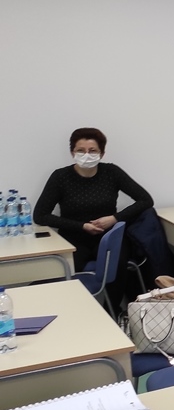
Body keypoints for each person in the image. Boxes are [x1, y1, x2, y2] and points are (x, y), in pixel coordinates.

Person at [33, 128, 154, 305]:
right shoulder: (60, 177)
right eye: (80, 150)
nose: (86, 155)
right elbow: (40, 215)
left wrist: (114, 218)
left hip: (109, 236)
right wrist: (81, 226)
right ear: (72, 152)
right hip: (74, 238)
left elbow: (145, 200)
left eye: (92, 151)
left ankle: (112, 312)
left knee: (118, 267)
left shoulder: (111, 172)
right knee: (61, 274)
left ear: (102, 154)